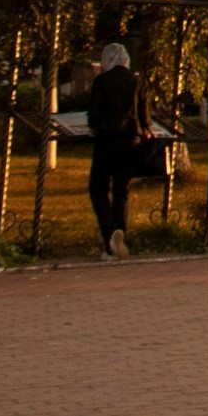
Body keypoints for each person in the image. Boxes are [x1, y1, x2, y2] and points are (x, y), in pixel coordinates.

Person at [88, 41, 147, 259]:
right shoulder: (136, 81)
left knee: (98, 188)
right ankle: (120, 231)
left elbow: (93, 115)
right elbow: (145, 115)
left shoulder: (102, 81)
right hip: (131, 142)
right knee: (122, 191)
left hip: (106, 140)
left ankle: (110, 234)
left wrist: (95, 127)